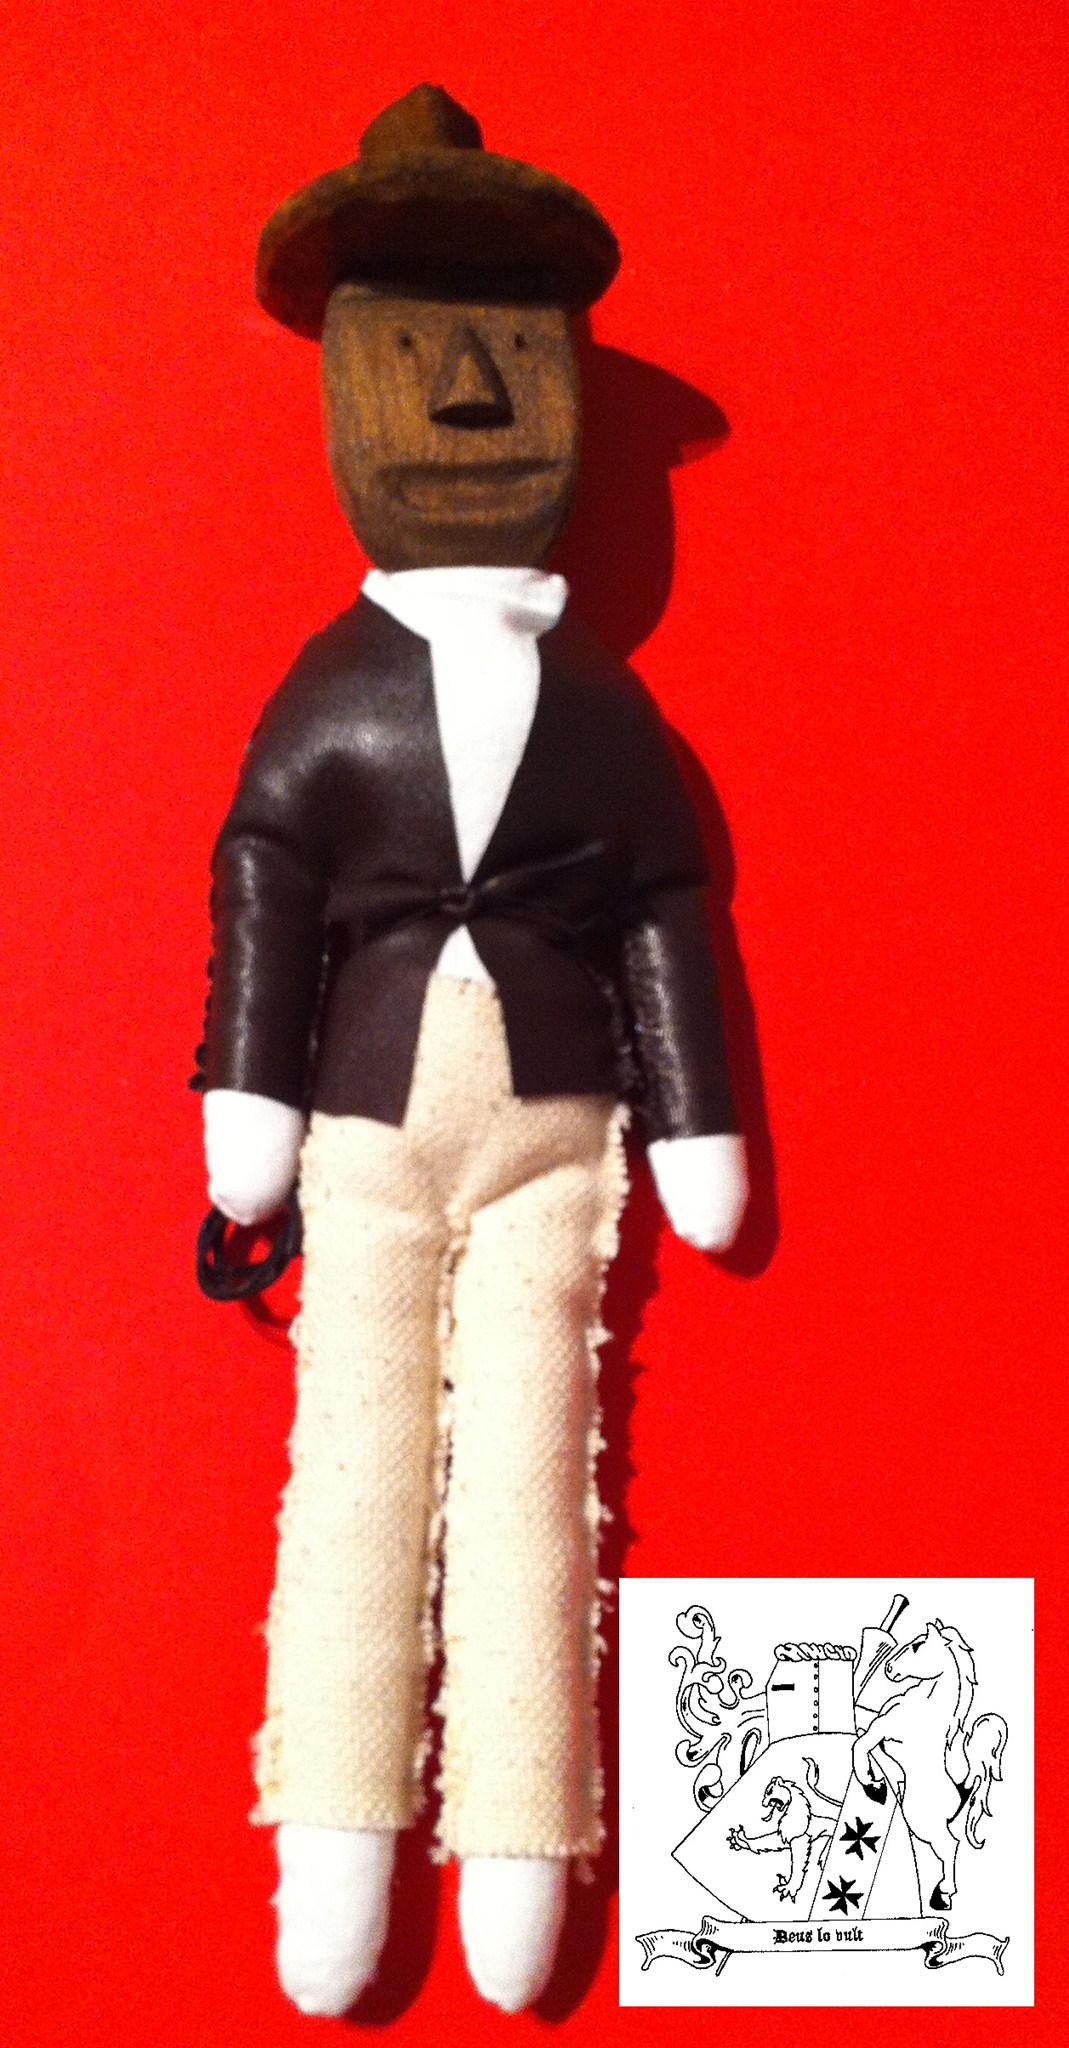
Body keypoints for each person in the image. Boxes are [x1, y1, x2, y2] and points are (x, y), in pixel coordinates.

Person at [199, 83, 748, 2015]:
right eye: (416, 355)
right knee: (354, 1475)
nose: (456, 399)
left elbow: (669, 904)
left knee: (533, 1481)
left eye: (505, 354)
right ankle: (339, 1831)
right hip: (358, 1142)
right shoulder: (325, 693)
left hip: (549, 1148)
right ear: (347, 383)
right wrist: (246, 1098)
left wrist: (697, 1124)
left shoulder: (603, 708)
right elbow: (263, 874)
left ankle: (524, 1832)